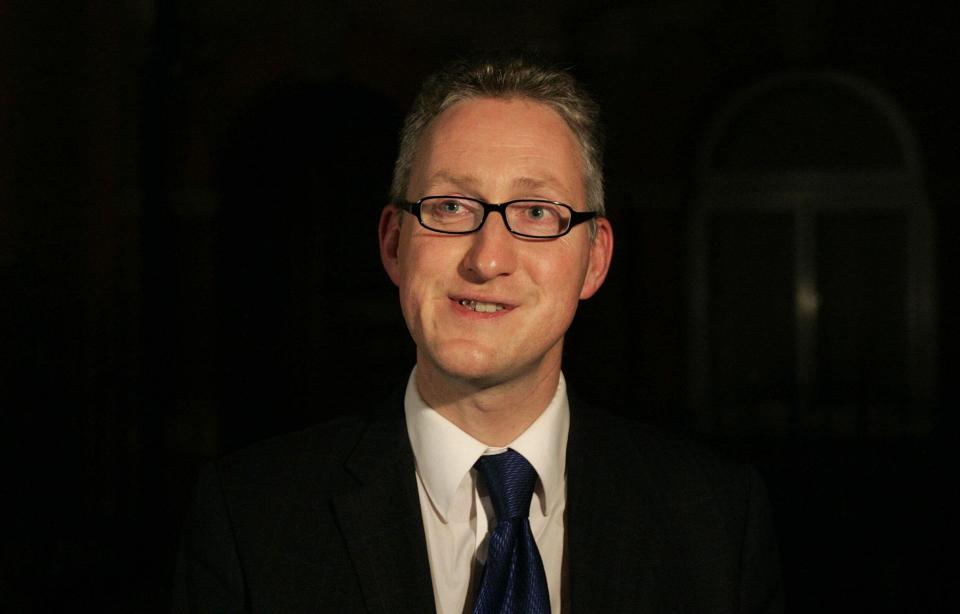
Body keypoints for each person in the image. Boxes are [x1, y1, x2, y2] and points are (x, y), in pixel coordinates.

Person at [173, 55, 783, 613]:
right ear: (393, 243)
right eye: (450, 208)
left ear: (594, 259)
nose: (488, 259)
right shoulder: (252, 518)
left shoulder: (716, 519)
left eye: (537, 213)